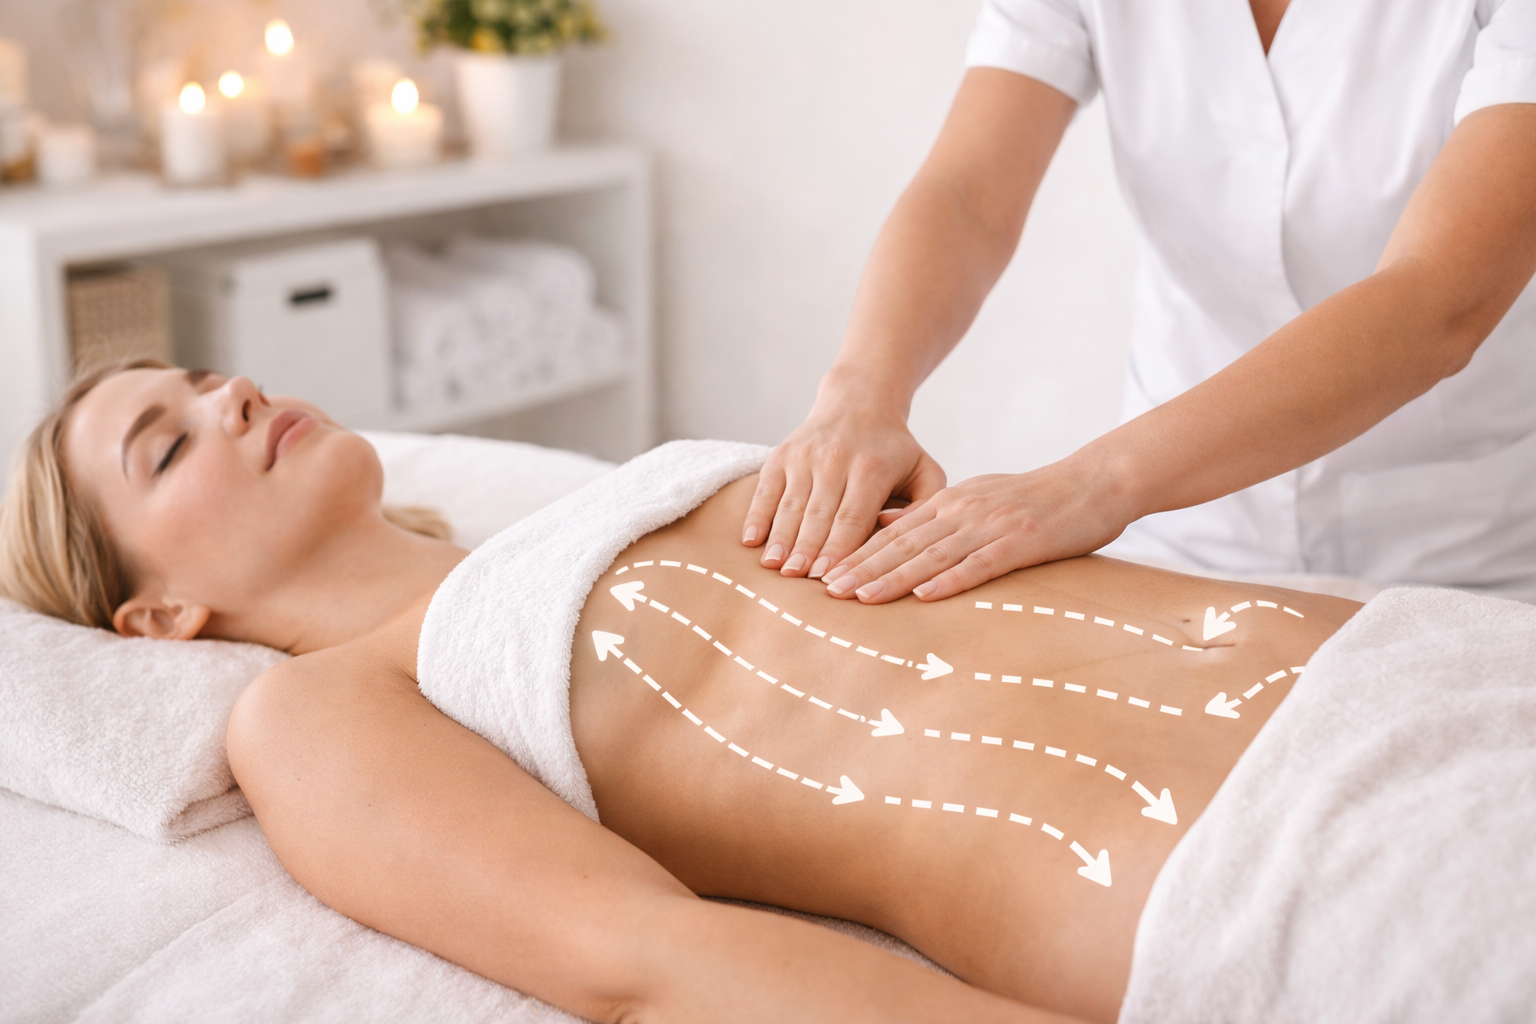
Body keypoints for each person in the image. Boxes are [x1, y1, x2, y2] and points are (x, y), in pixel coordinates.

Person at [0, 362, 1360, 1022]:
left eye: (205, 381)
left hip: (1369, 657)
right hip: (1248, 870)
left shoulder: (581, 516)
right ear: (159, 617)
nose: (232, 397)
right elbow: (648, 961)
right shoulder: (319, 710)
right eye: (168, 445)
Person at [742, 0, 1536, 606]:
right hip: (1184, 527)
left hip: (1466, 549)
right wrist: (859, 395)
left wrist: (1089, 486)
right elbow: (969, 193)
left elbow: (1439, 299)